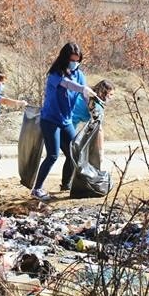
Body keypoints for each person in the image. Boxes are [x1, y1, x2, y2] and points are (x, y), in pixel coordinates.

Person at [31, 43, 97, 201]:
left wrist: (93, 105)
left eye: (77, 60)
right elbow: (67, 84)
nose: (74, 63)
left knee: (74, 152)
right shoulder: (55, 73)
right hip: (51, 120)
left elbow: (83, 93)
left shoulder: (79, 74)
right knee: (53, 155)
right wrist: (82, 89)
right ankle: (37, 189)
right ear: (64, 58)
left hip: (66, 120)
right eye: (72, 60)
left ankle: (66, 184)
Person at [70, 78, 114, 170]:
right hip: (66, 123)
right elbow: (98, 129)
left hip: (62, 118)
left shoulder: (87, 93)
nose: (111, 97)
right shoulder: (96, 105)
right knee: (72, 155)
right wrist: (101, 152)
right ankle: (68, 182)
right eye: (110, 94)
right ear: (103, 93)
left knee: (69, 154)